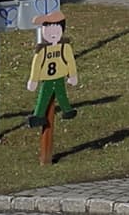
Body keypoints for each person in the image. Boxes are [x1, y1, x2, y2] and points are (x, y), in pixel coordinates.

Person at [24, 8, 74, 162]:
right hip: (47, 79)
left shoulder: (64, 47)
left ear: (62, 30)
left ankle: (67, 110)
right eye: (49, 28)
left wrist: (72, 75)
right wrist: (34, 80)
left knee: (62, 94)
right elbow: (37, 66)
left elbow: (70, 61)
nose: (53, 32)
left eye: (56, 28)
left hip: (59, 77)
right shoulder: (42, 51)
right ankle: (39, 116)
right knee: (44, 96)